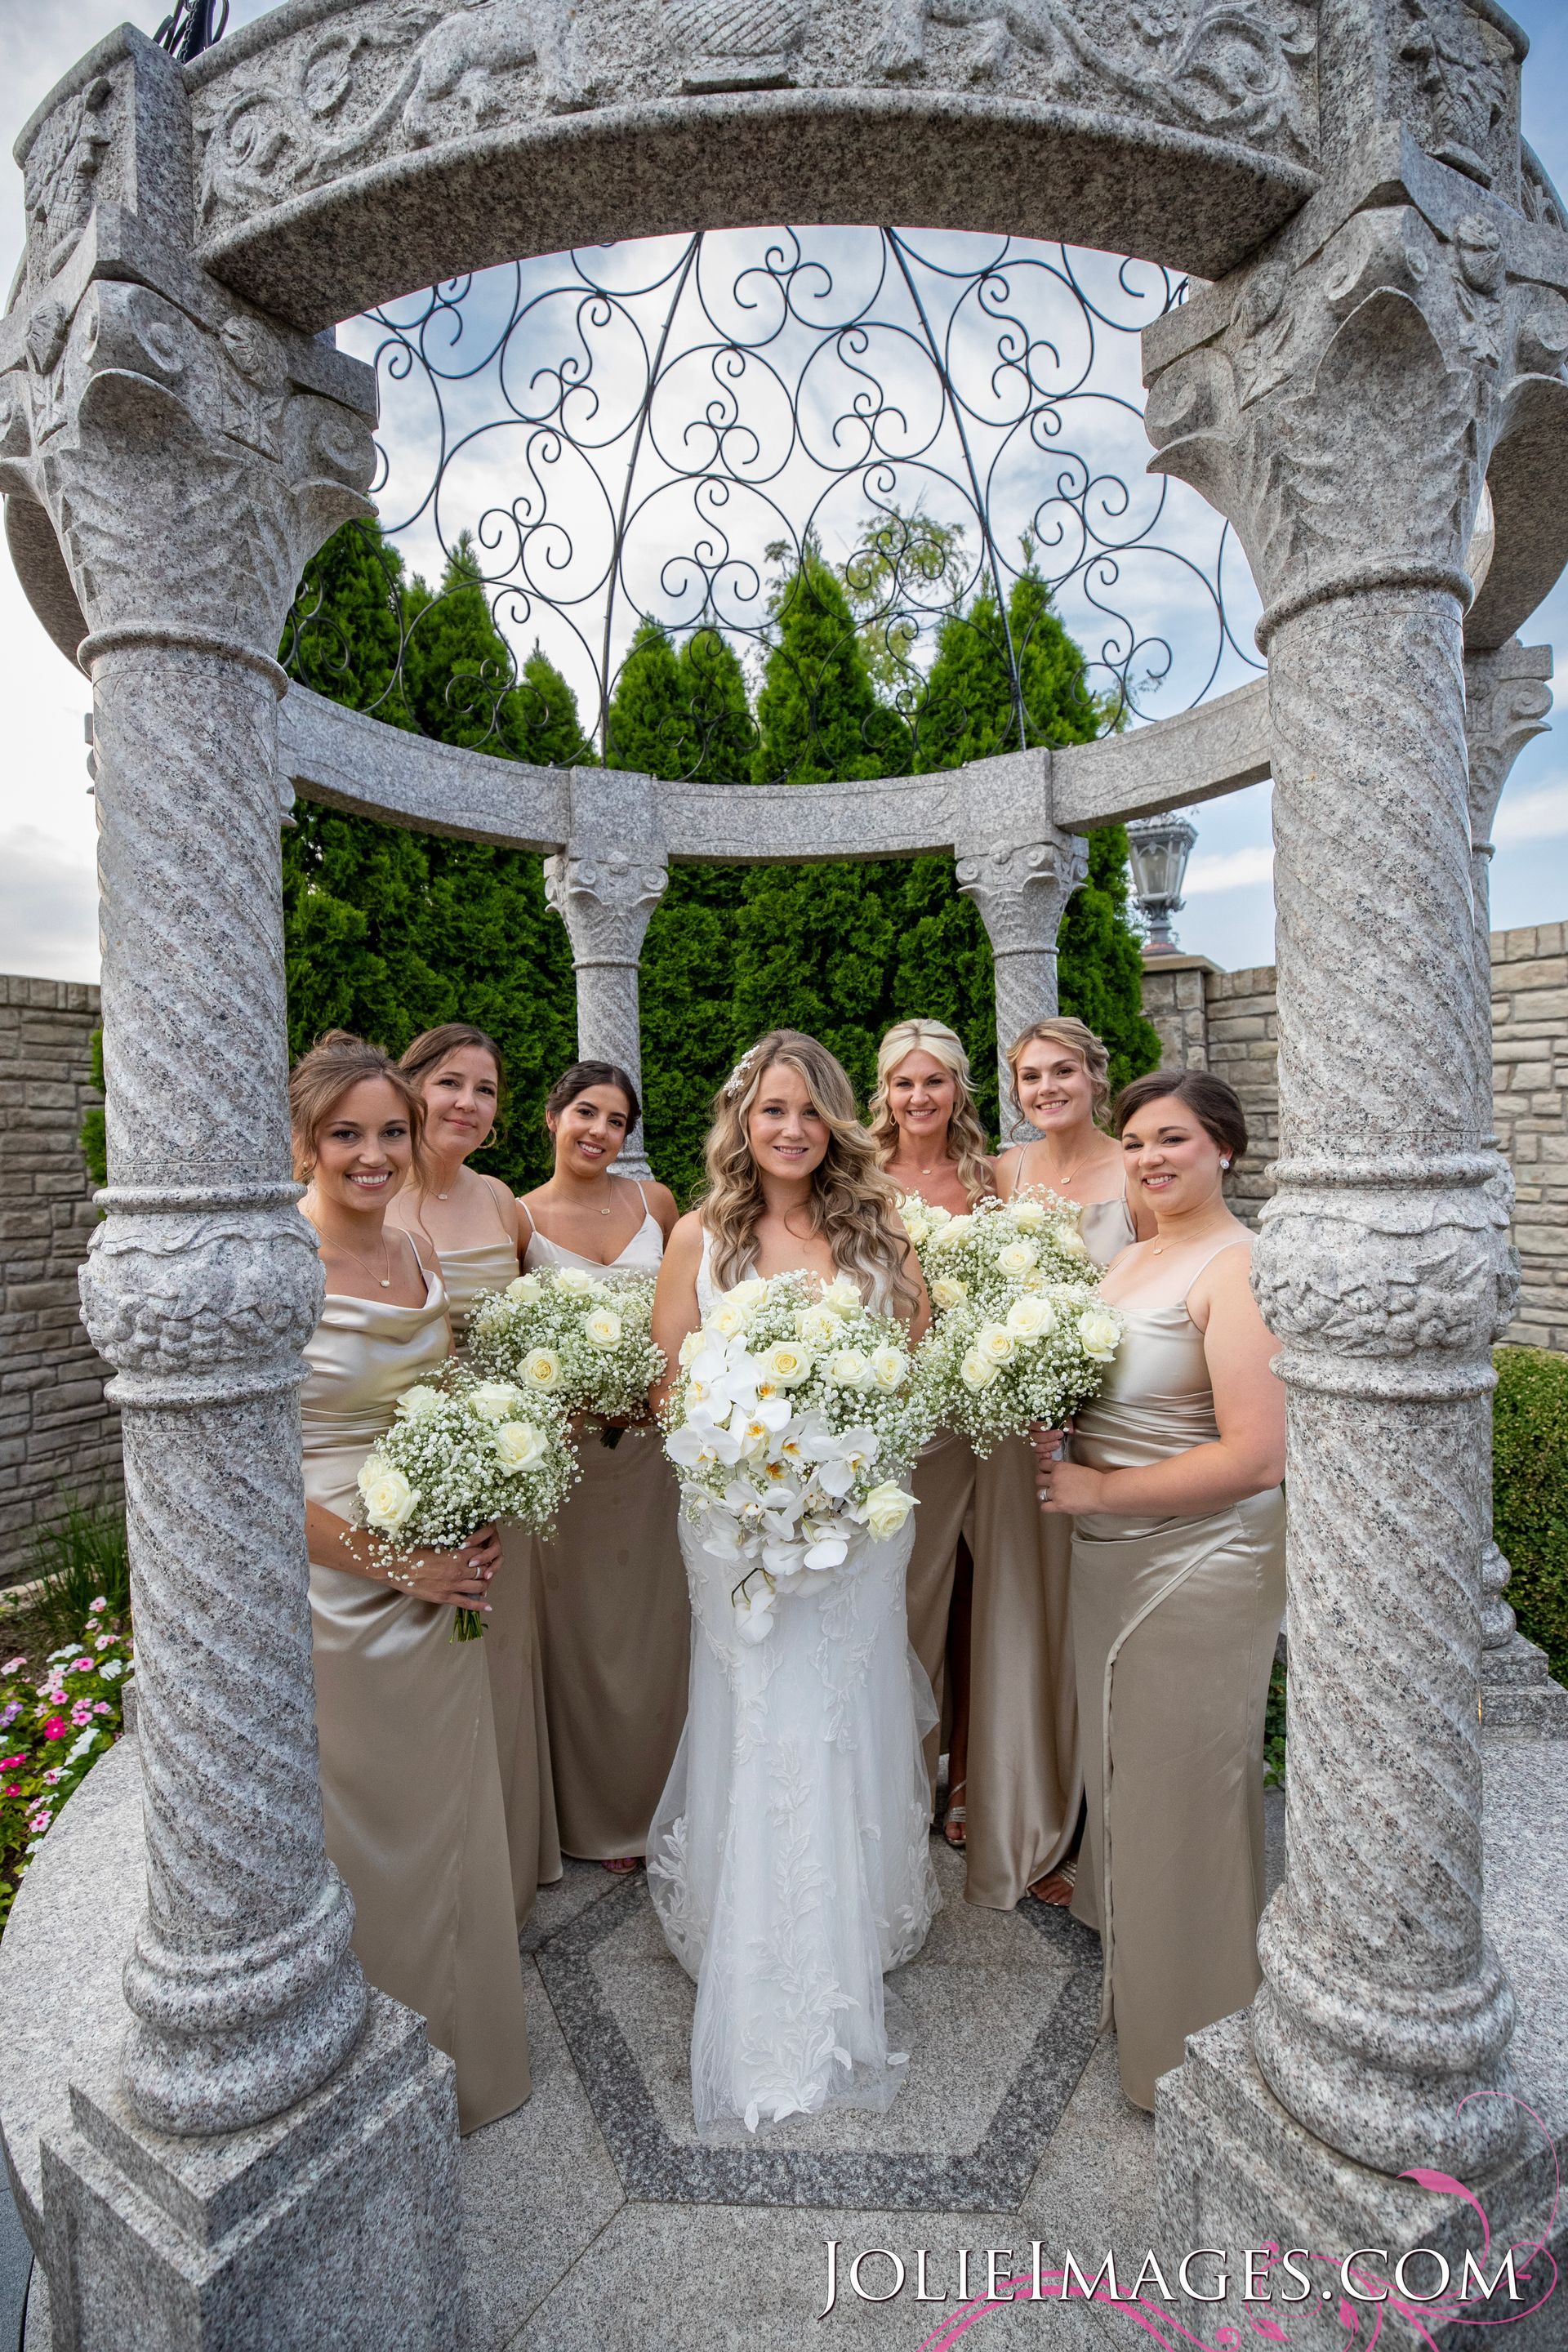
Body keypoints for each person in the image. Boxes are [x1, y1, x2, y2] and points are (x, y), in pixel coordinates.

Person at [647, 1029, 938, 2132]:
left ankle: (853, 1908)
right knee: (763, 1709)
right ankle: (754, 1914)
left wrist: (846, 1446)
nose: (792, 1128)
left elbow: (913, 1358)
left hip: (855, 1524)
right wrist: (750, 1460)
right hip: (734, 1522)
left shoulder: (879, 1230)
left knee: (838, 1706)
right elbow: (671, 1389)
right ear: (742, 1119)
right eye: (772, 1108)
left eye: (812, 1109)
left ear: (837, 1122)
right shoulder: (699, 1236)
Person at [292, 1031, 530, 2134]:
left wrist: (473, 1506)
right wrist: (405, 1567)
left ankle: (466, 2060)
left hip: (441, 1578)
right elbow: (261, 1483)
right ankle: (372, 2090)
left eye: (392, 1131)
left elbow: (441, 1404)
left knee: (446, 1813)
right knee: (371, 1831)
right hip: (337, 1592)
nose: (374, 1154)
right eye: (347, 1134)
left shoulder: (416, 1250)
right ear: (305, 1142)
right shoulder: (282, 1268)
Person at [1036, 1067, 1285, 2113]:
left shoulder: (1242, 1267)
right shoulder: (1131, 1257)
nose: (1149, 1158)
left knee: (1185, 1790)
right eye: (1135, 1141)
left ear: (1224, 1146)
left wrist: (1099, 1486)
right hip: (1109, 1552)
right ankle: (1143, 1972)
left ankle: (1193, 2052)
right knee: (1127, 1774)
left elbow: (1257, 1457)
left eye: (1173, 1138)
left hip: (1200, 1560)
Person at [964, 1016, 1156, 1910]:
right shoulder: (1003, 1173)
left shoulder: (1135, 1171)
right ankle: (1027, 1811)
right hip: (1018, 1436)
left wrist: (1084, 1393)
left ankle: (1101, 1830)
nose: (1047, 1088)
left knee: (1098, 1620)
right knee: (1023, 1615)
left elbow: (1152, 1297)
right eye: (1031, 1076)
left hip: (1109, 1427)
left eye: (1063, 1071)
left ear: (1095, 1077)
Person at [388, 1022, 561, 1928]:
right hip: (404, 1466)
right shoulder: (366, 1193)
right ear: (409, 1087)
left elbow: (528, 1332)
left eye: (485, 1090)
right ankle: (435, 1888)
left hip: (504, 1462)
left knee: (501, 1653)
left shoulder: (501, 1202)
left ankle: (507, 1866)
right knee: (428, 1669)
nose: (467, 1102)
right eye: (450, 1082)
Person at [518, 1062, 685, 1872]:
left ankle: (665, 1801)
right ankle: (597, 1814)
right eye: (586, 1112)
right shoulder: (519, 1218)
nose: (599, 1132)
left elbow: (690, 1311)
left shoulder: (658, 1205)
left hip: (657, 1455)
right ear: (553, 1116)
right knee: (585, 1632)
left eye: (617, 1121)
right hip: (571, 1462)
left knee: (660, 1628)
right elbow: (508, 1340)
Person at [867, 1020, 993, 1833]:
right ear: (884, 1091)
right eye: (905, 1083)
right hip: (899, 1414)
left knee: (982, 1597)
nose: (919, 1097)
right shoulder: (857, 1174)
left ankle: (972, 1776)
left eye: (934, 1081)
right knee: (907, 1594)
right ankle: (900, 1778)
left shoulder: (989, 1177)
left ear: (957, 1088)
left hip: (980, 1412)